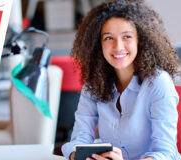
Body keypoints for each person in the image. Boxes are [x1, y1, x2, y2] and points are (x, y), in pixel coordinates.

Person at [61, 0, 181, 160]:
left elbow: (166, 153)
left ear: (140, 40)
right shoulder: (95, 83)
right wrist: (79, 156)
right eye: (108, 38)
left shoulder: (158, 83)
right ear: (98, 44)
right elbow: (78, 140)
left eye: (127, 36)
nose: (118, 46)